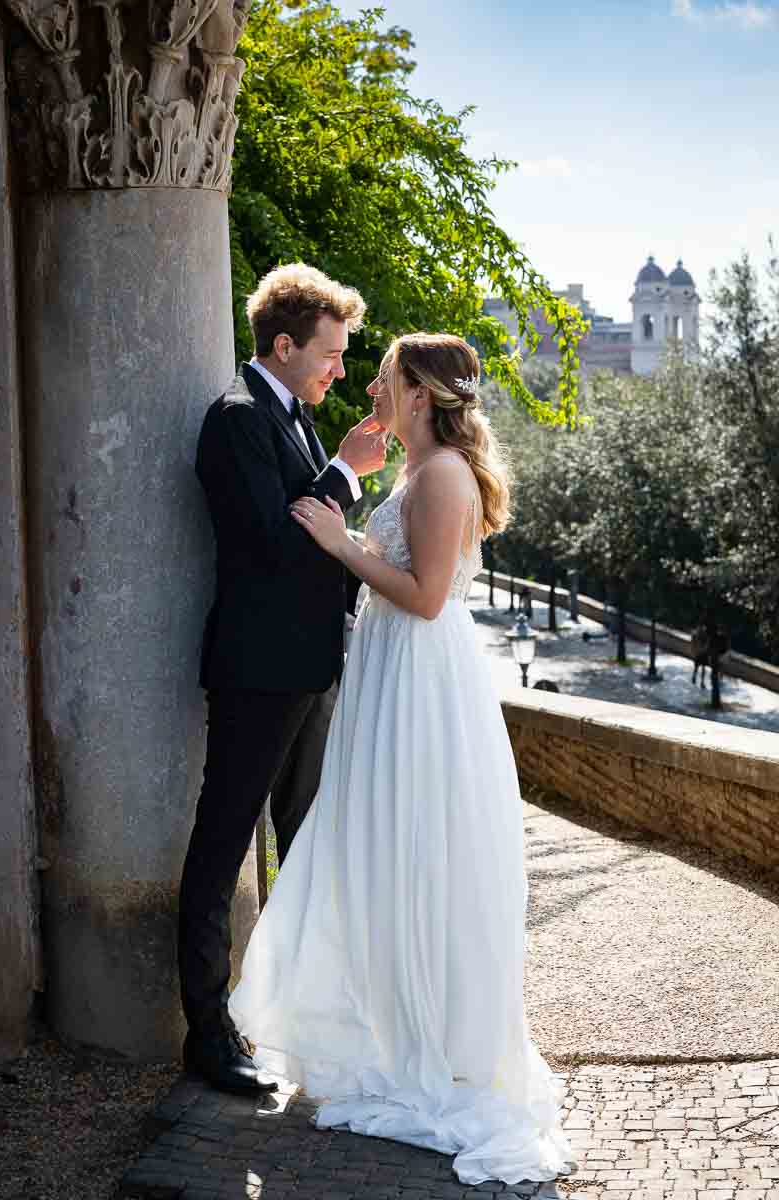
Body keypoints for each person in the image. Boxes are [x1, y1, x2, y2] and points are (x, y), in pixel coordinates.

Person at [228, 333, 575, 1186]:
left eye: (386, 374)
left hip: (421, 677)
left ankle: (429, 1042)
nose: (375, 384)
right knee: (379, 850)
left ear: (420, 391)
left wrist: (343, 544)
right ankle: (385, 1020)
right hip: (393, 673)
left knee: (414, 850)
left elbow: (424, 598)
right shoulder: (419, 469)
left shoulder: (447, 474)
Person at [178, 264, 387, 1096]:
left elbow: (317, 537)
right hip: (258, 673)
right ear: (285, 344)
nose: (339, 369)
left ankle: (306, 1019)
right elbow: (270, 541)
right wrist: (341, 474)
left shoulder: (292, 413)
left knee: (305, 849)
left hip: (309, 668)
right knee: (222, 846)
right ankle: (208, 1032)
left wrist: (337, 480)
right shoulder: (235, 420)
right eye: (330, 354)